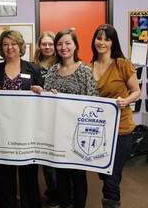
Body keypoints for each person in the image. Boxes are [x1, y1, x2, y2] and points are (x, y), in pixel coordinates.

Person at [0, 30, 43, 208]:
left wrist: (39, 90)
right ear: (1, 48)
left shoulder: (33, 68)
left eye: (13, 43)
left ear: (20, 46)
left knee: (29, 175)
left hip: (28, 131)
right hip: (3, 131)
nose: (9, 47)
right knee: (5, 175)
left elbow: (44, 97)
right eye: (5, 44)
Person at [44, 29, 99, 208]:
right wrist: (49, 95)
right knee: (60, 173)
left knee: (77, 175)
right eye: (59, 44)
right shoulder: (52, 71)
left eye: (68, 43)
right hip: (57, 131)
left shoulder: (84, 71)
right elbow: (45, 101)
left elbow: (93, 101)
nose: (63, 47)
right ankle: (65, 203)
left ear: (75, 46)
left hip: (78, 133)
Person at [89, 24, 140, 208]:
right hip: (98, 129)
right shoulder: (89, 66)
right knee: (103, 172)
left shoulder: (122, 64)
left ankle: (111, 204)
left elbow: (136, 90)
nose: (102, 42)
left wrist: (126, 101)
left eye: (107, 39)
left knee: (111, 176)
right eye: (99, 38)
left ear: (113, 42)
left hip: (121, 129)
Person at [34, 31, 59, 208]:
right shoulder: (32, 66)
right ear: (39, 46)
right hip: (40, 118)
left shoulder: (63, 63)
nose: (47, 47)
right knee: (47, 158)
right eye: (44, 44)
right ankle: (54, 192)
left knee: (63, 156)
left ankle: (65, 191)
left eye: (51, 44)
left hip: (60, 117)